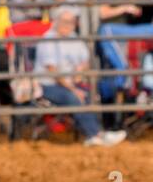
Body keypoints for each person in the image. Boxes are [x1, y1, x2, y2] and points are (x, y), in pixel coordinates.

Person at [33, 9, 126, 147]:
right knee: (74, 97)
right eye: (65, 22)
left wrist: (80, 71)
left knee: (92, 94)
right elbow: (53, 72)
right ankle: (95, 135)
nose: (68, 25)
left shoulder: (74, 38)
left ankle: (99, 132)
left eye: (71, 22)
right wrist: (74, 90)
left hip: (69, 83)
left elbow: (85, 61)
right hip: (47, 85)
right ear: (56, 22)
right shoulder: (48, 40)